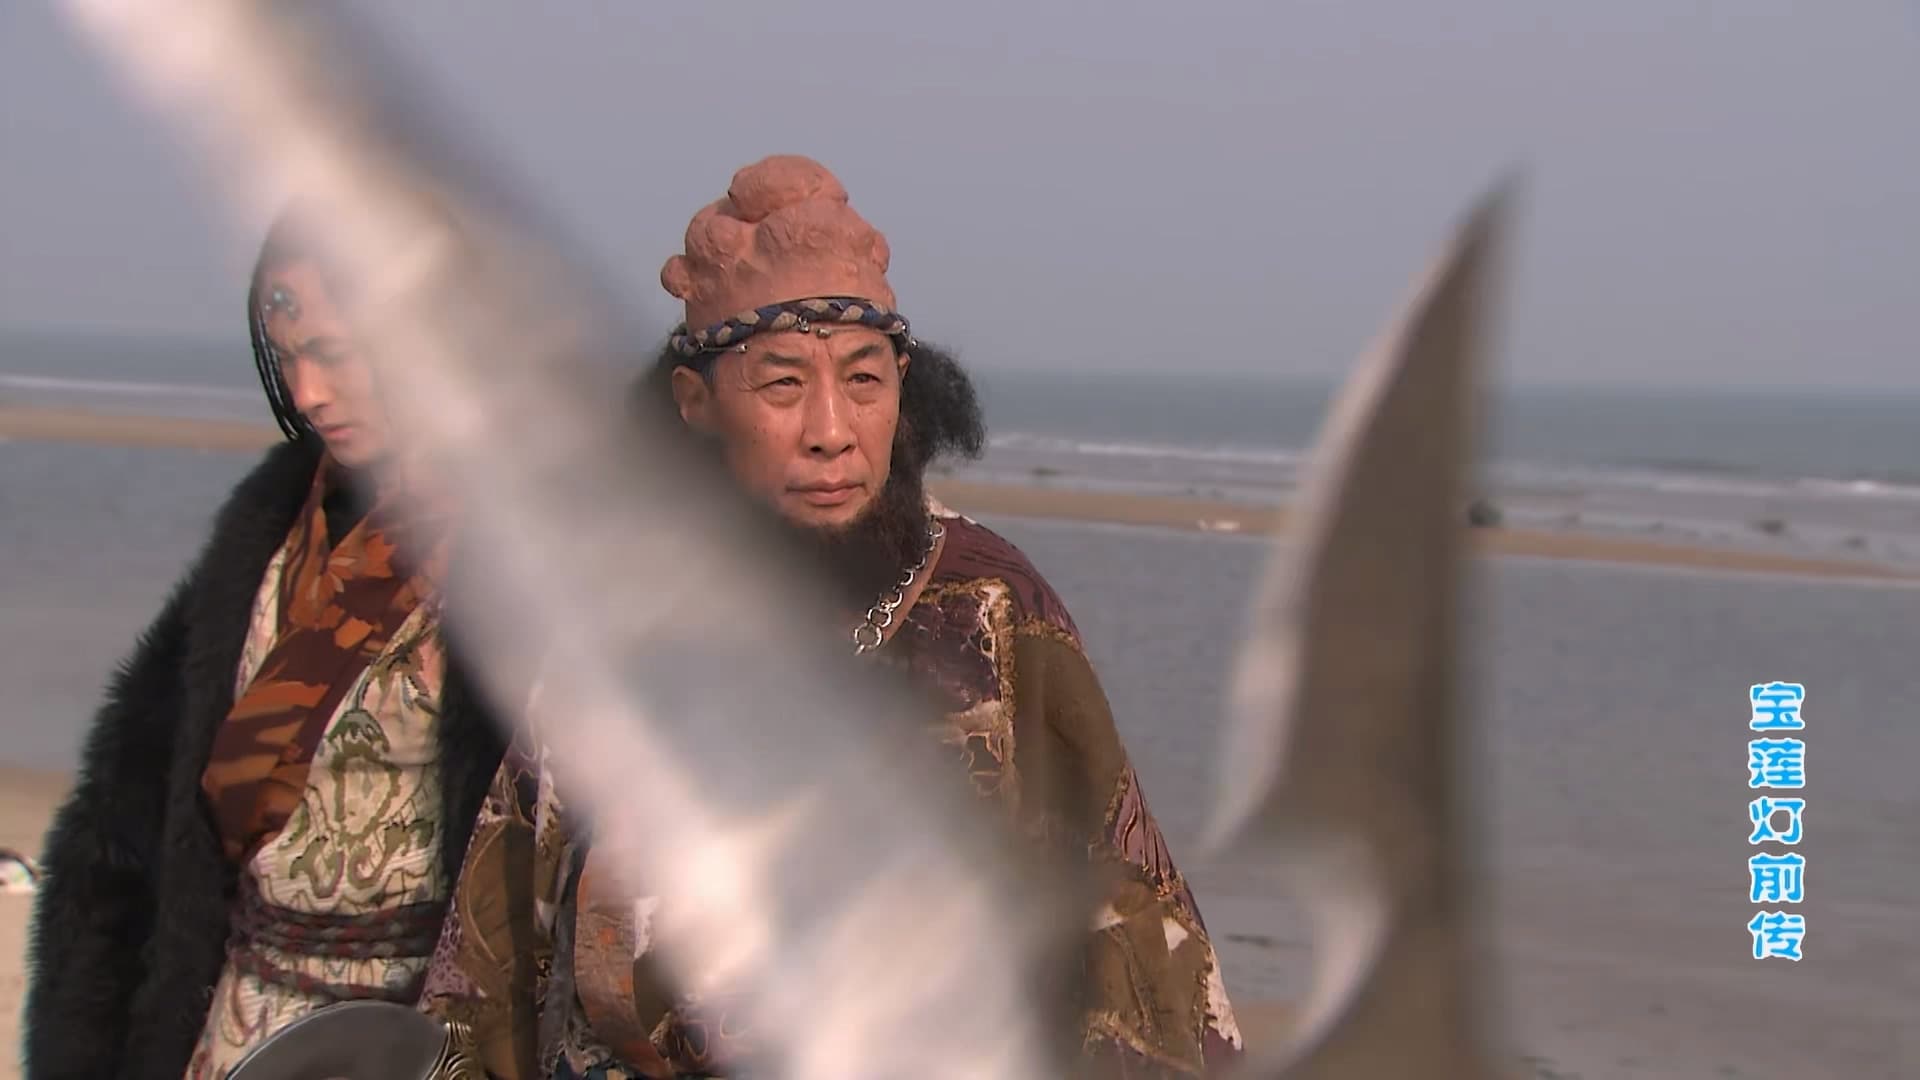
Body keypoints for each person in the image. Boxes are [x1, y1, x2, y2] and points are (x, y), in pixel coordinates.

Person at [418, 155, 1244, 1078]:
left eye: (863, 382)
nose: (831, 431)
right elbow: (493, 965)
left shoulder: (995, 613)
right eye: (781, 386)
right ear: (695, 404)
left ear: (903, 389)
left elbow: (1133, 943)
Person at [22, 204, 507, 1079]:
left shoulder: (527, 553)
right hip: (234, 1024)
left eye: (335, 353)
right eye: (288, 357)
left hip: (423, 1038)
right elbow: (129, 821)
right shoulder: (270, 532)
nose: (309, 392)